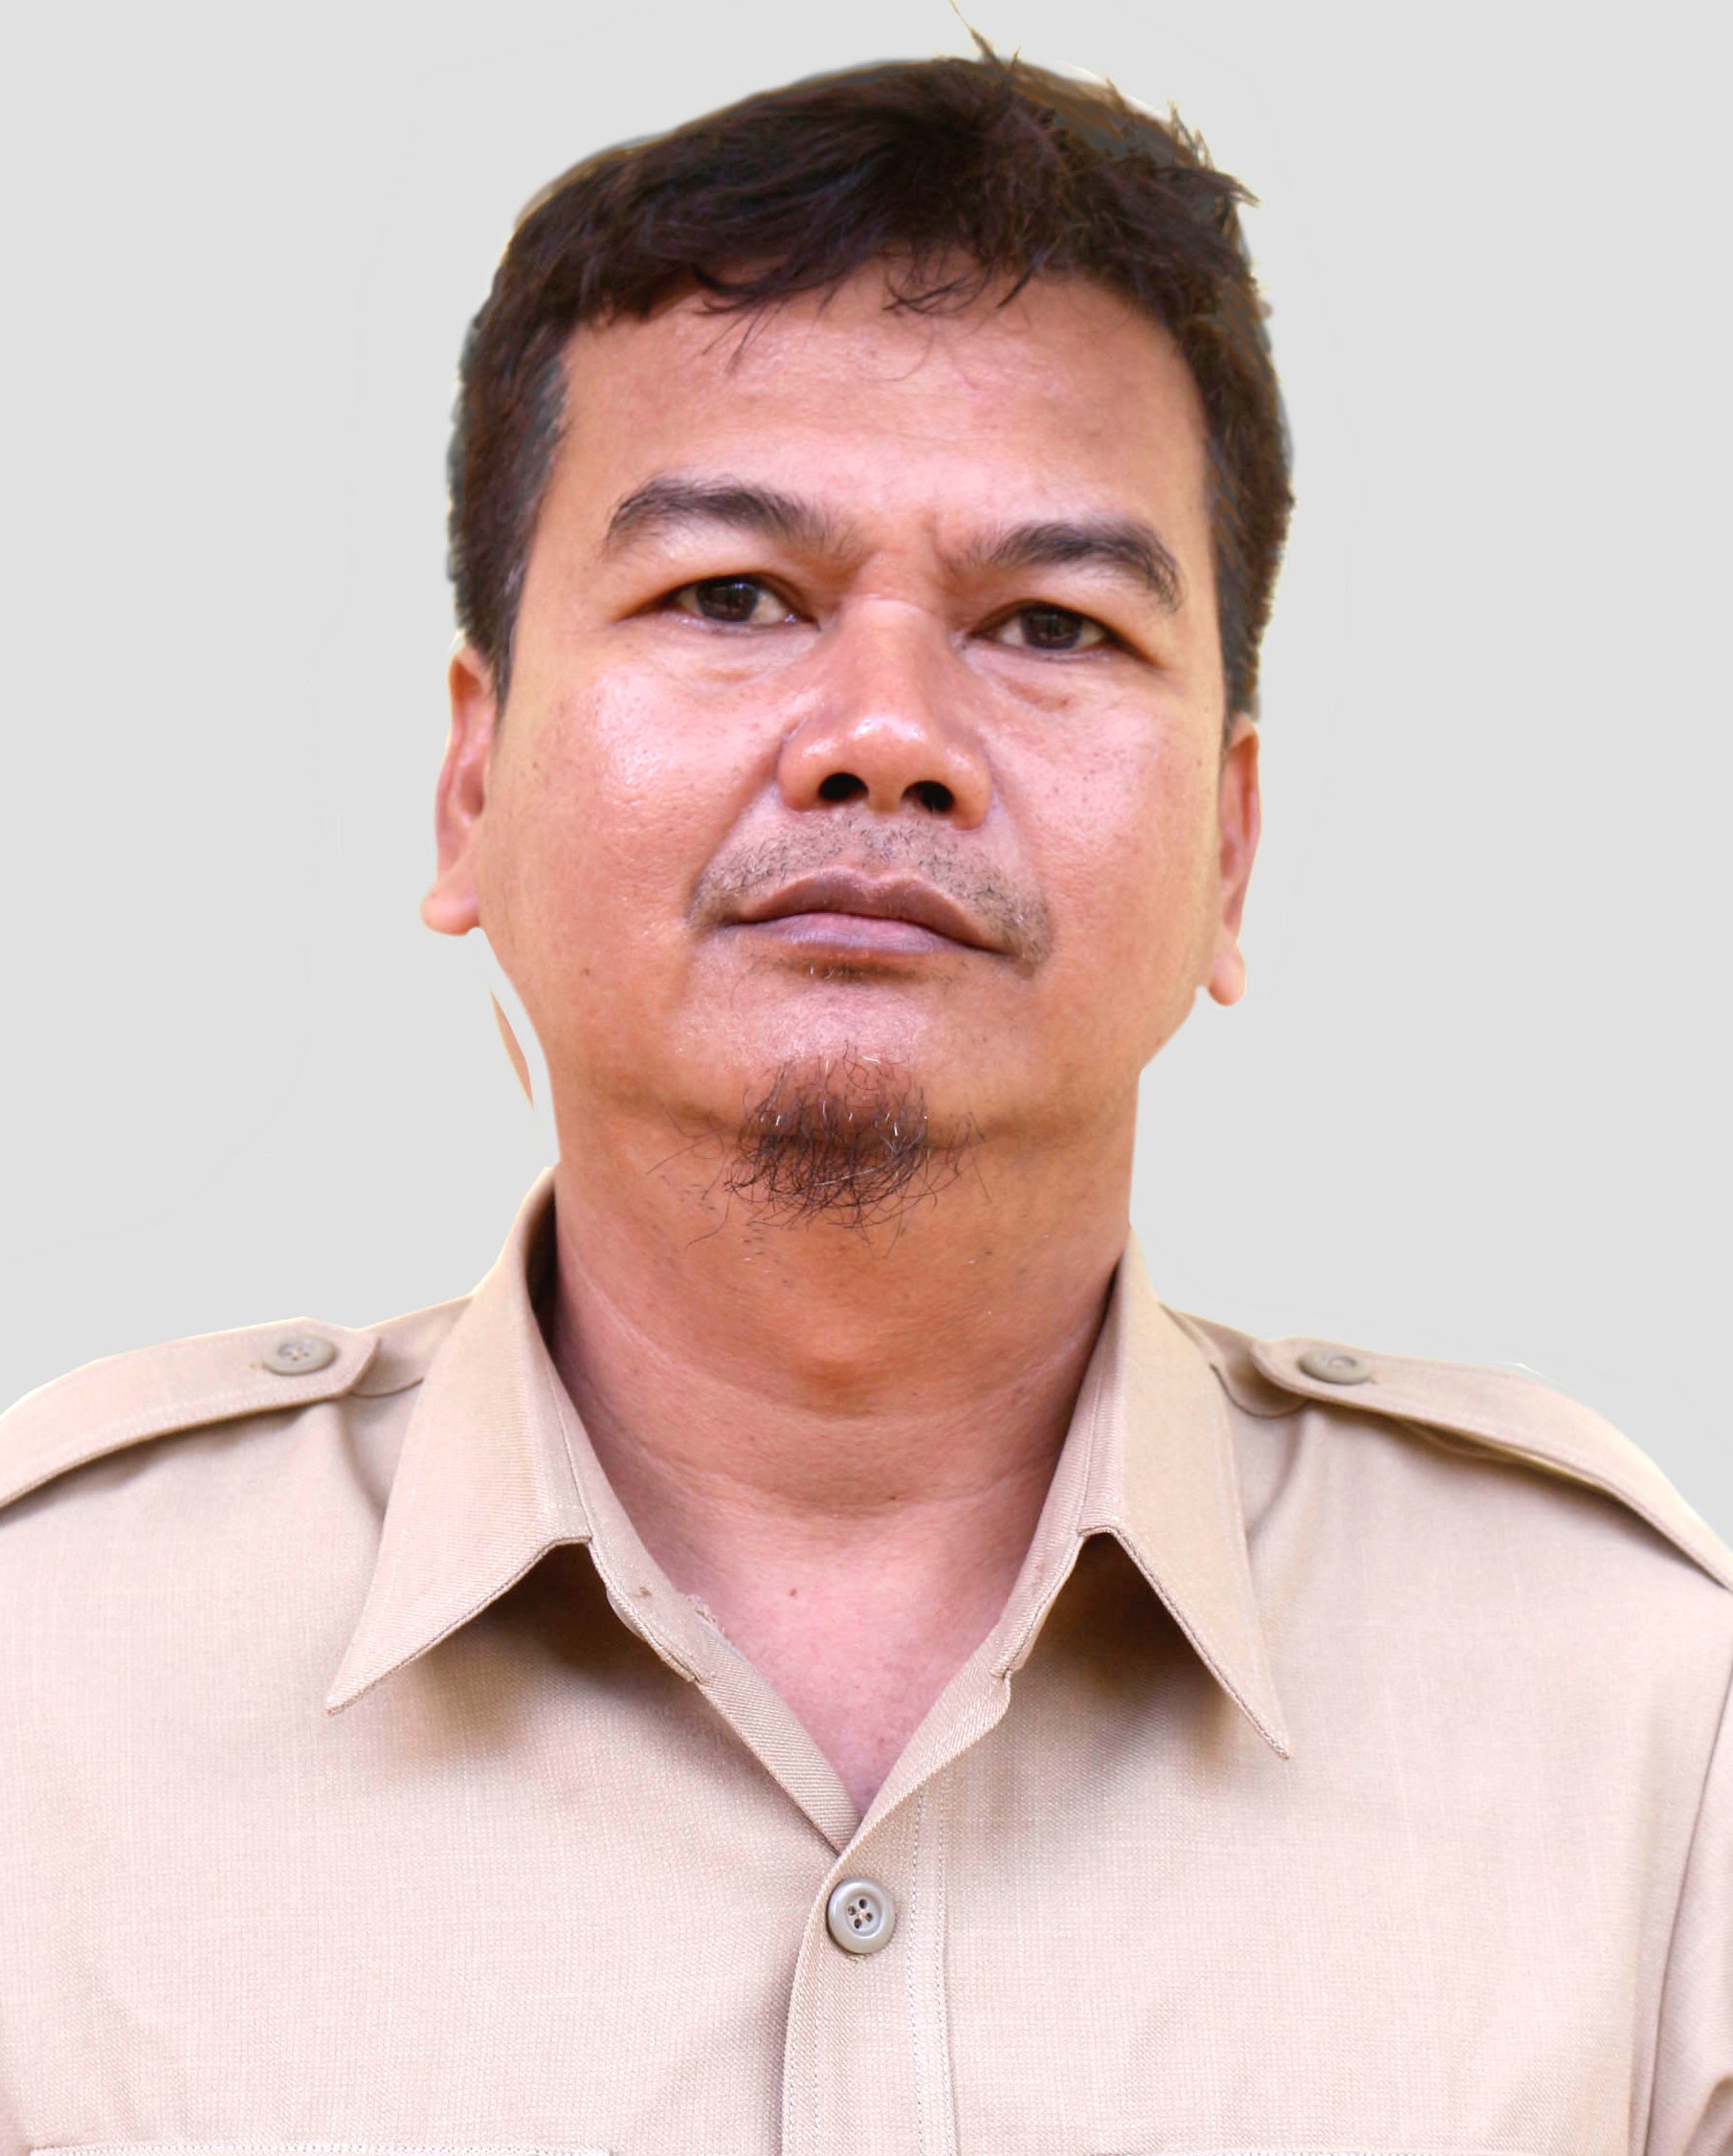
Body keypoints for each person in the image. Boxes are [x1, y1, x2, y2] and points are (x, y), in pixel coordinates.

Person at [1, 45, 1727, 2156]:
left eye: (1050, 622)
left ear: (1231, 847)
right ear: (471, 780)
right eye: (730, 595)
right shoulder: (42, 1676)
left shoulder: (1647, 1717)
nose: (885, 732)